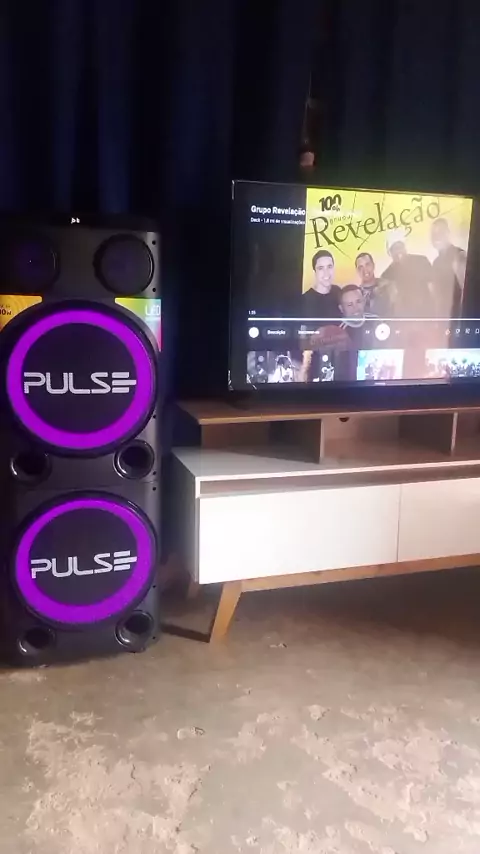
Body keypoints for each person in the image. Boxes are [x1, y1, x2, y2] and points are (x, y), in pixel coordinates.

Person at [381, 229, 434, 317]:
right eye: (394, 248)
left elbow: (433, 288)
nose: (398, 251)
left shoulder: (421, 261)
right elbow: (391, 303)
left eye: (400, 247)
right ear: (389, 252)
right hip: (405, 318)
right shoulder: (387, 275)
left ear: (405, 247)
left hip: (427, 314)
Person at [431, 218, 465, 318]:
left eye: (440, 232)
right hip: (443, 319)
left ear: (448, 233)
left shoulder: (459, 255)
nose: (436, 237)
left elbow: (468, 291)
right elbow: (437, 296)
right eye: (433, 234)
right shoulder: (436, 262)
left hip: (459, 318)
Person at [301, 249, 342, 318]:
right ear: (314, 272)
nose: (326, 272)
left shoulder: (338, 292)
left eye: (329, 267)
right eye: (320, 268)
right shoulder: (305, 300)